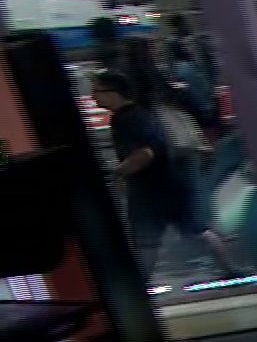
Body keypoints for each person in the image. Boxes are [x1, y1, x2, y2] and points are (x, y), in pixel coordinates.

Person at [90, 70, 237, 285]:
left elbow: (144, 153)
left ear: (113, 92)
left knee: (146, 240)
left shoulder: (126, 118)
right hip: (168, 184)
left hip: (150, 189)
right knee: (195, 230)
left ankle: (140, 286)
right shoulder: (138, 114)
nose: (93, 96)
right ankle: (230, 269)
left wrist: (117, 172)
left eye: (97, 91)